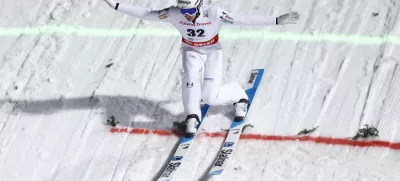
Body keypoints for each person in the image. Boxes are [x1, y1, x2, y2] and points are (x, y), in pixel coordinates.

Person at [103, 0, 300, 138]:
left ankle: (239, 95)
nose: (186, 16)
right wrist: (116, 5)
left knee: (209, 98)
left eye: (189, 12)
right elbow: (147, 13)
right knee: (189, 76)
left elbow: (242, 19)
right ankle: (192, 115)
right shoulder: (174, 13)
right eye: (183, 12)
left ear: (198, 6)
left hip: (212, 51)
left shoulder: (213, 13)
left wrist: (275, 20)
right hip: (190, 50)